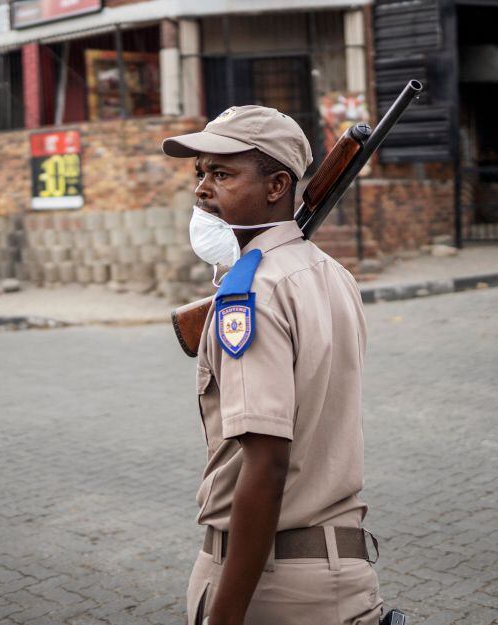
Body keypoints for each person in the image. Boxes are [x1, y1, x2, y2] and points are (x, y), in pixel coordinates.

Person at [163, 105, 383, 625]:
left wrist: (225, 617)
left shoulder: (252, 294)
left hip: (266, 585)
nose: (202, 189)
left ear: (277, 185)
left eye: (222, 173)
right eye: (200, 173)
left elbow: (266, 463)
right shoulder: (332, 274)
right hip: (339, 576)